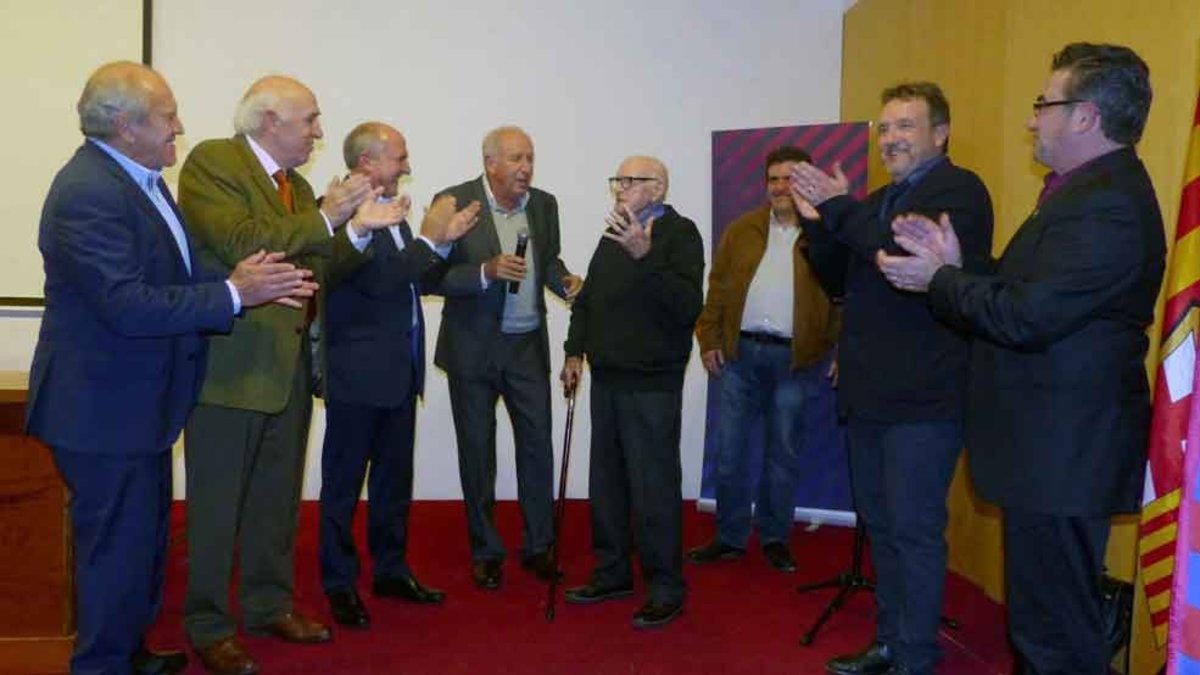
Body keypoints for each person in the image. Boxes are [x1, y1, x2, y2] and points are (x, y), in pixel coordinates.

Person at [875, 43, 1164, 673]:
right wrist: (956, 268)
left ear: (1084, 116)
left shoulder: (1105, 203)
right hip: (1050, 451)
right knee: (1044, 627)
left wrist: (937, 281)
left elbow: (1025, 318)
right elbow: (1018, 294)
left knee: (1056, 638)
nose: (1032, 119)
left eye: (1043, 104)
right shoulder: (1079, 194)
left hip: (1063, 454)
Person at [26, 61, 316, 675]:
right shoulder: (88, 191)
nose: (179, 126)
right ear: (127, 125)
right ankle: (103, 664)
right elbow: (126, 304)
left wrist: (251, 284)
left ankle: (128, 653)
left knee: (141, 547)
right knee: (112, 553)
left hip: (142, 407)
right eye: (167, 116)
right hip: (103, 412)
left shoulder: (142, 183)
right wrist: (236, 295)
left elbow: (179, 277)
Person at [178, 75, 407, 674]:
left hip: (291, 373)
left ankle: (267, 605)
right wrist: (330, 216)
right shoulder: (213, 163)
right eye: (309, 120)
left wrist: (356, 228)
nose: (318, 132)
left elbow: (319, 268)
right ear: (269, 120)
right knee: (216, 508)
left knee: (275, 506)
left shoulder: (299, 187)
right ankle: (208, 623)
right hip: (230, 373)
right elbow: (242, 242)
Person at [790, 82, 994, 675]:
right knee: (881, 528)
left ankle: (915, 657)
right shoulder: (877, 199)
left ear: (941, 133)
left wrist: (840, 209)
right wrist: (821, 225)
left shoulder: (958, 189)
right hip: (871, 392)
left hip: (925, 399)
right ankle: (890, 641)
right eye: (883, 128)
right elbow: (840, 281)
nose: (890, 138)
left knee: (913, 531)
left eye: (906, 126)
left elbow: (901, 254)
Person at [319, 122, 480, 629]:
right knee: (343, 486)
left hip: (399, 372)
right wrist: (429, 240)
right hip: (357, 375)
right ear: (367, 161)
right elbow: (381, 281)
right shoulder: (344, 210)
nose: (407, 166)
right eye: (400, 157)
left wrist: (444, 244)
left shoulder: (394, 211)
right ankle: (339, 584)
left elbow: (419, 278)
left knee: (394, 483)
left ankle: (390, 570)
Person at [432, 126, 582, 590]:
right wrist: (485, 271)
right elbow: (431, 275)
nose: (526, 168)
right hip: (472, 350)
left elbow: (549, 260)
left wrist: (567, 284)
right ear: (490, 162)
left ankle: (539, 546)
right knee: (478, 453)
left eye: (530, 158)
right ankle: (486, 550)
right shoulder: (454, 202)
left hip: (526, 347)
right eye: (516, 159)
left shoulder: (543, 204)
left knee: (537, 448)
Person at [560, 155, 704, 629]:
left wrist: (646, 258)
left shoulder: (680, 235)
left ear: (658, 188)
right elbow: (590, 297)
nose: (619, 187)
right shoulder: (613, 233)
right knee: (608, 484)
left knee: (653, 487)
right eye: (616, 179)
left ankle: (665, 586)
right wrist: (574, 351)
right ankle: (613, 573)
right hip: (608, 379)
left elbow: (686, 307)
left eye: (630, 180)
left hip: (653, 385)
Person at [690, 145, 843, 573]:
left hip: (796, 361)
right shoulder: (742, 230)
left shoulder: (825, 232)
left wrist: (841, 348)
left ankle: (775, 538)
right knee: (730, 451)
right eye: (773, 179)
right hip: (741, 354)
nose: (780, 187)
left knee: (783, 455)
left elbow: (843, 295)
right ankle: (729, 536)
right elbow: (717, 286)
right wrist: (708, 338)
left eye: (789, 178)